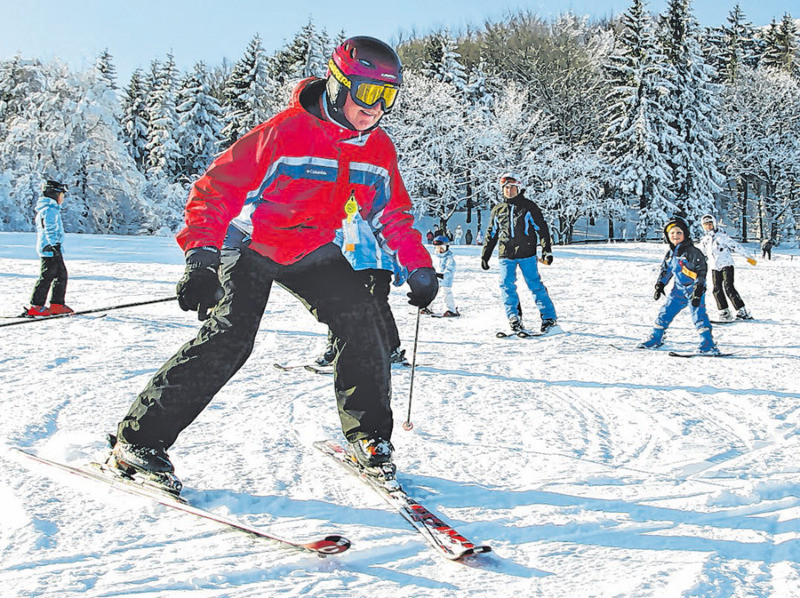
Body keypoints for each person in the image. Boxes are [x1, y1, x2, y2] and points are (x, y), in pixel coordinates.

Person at [105, 36, 438, 493]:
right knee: (232, 336)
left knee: (364, 324)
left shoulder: (375, 148)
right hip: (250, 243)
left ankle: (370, 439)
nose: (376, 108)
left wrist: (417, 265)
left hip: (310, 248)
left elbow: (391, 213)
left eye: (388, 97)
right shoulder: (282, 133)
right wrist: (201, 259)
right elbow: (213, 193)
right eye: (367, 93)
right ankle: (137, 441)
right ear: (339, 84)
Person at [481, 172, 557, 334]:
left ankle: (548, 318)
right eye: (506, 188)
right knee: (506, 286)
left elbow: (541, 229)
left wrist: (546, 250)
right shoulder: (498, 209)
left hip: (526, 253)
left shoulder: (528, 207)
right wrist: (485, 255)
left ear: (518, 188)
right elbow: (491, 234)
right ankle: (514, 318)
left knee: (535, 285)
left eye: (512, 187)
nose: (509, 191)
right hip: (505, 254)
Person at [638, 216, 720, 355]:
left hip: (694, 289)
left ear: (685, 234)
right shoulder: (671, 253)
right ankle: (656, 337)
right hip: (678, 291)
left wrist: (698, 288)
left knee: (698, 315)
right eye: (672, 233)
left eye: (679, 233)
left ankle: (708, 343)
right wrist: (660, 285)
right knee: (665, 312)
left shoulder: (693, 252)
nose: (675, 236)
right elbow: (667, 270)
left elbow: (702, 271)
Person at [21, 180, 73, 317]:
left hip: (53, 248)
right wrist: (54, 245)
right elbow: (49, 229)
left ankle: (56, 304)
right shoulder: (49, 210)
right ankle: (36, 305)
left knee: (61, 274)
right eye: (61, 195)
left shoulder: (52, 209)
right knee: (47, 276)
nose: (62, 198)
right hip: (49, 249)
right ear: (53, 194)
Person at [697, 214, 754, 321]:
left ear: (714, 224)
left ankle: (742, 311)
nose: (708, 227)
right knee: (716, 289)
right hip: (715, 267)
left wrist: (749, 258)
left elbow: (736, 246)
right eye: (705, 225)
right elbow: (700, 253)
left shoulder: (721, 237)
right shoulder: (705, 240)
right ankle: (724, 311)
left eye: (710, 224)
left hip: (726, 265)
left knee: (728, 287)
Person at [422, 235, 459, 317]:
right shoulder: (436, 257)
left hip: (445, 281)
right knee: (431, 293)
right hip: (435, 280)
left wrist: (442, 275)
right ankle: (427, 307)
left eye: (442, 247)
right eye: (437, 248)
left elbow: (450, 270)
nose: (440, 250)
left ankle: (451, 310)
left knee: (446, 294)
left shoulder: (449, 259)